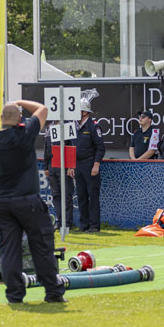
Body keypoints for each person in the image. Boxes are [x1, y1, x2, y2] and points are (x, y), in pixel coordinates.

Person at [0, 99, 65, 304]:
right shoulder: (25, 134)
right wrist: (19, 101)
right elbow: (42, 109)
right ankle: (53, 292)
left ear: (1, 119)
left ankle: (14, 295)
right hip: (27, 200)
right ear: (20, 118)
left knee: (9, 250)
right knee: (42, 247)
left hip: (2, 202)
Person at [69, 99, 105, 233]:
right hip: (77, 165)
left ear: (85, 112)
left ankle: (94, 225)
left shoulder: (94, 126)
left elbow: (100, 148)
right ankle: (83, 225)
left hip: (90, 164)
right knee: (81, 196)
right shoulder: (75, 126)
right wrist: (71, 166)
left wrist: (96, 165)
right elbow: (72, 147)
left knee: (92, 196)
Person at [43, 123, 74, 230]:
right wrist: (46, 166)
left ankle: (68, 223)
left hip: (64, 166)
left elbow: (70, 147)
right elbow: (46, 148)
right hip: (52, 166)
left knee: (66, 195)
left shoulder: (67, 127)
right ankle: (60, 221)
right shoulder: (48, 128)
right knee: (56, 195)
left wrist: (71, 166)